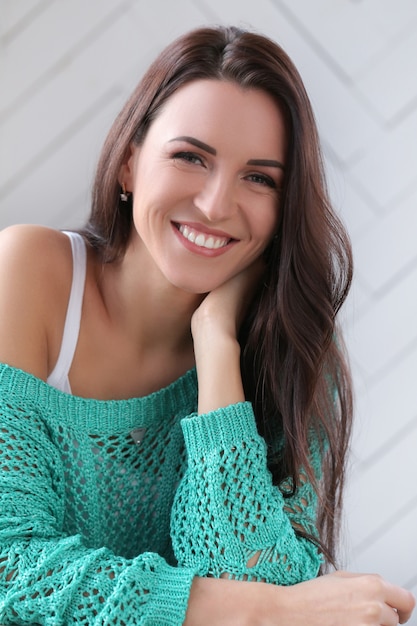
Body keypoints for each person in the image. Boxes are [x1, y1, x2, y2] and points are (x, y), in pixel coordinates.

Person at [0, 24, 414, 626]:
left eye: (259, 178)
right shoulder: (28, 275)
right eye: (190, 157)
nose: (217, 205)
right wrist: (253, 608)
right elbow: (10, 568)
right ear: (128, 164)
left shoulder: (293, 350)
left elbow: (260, 580)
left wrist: (217, 346)